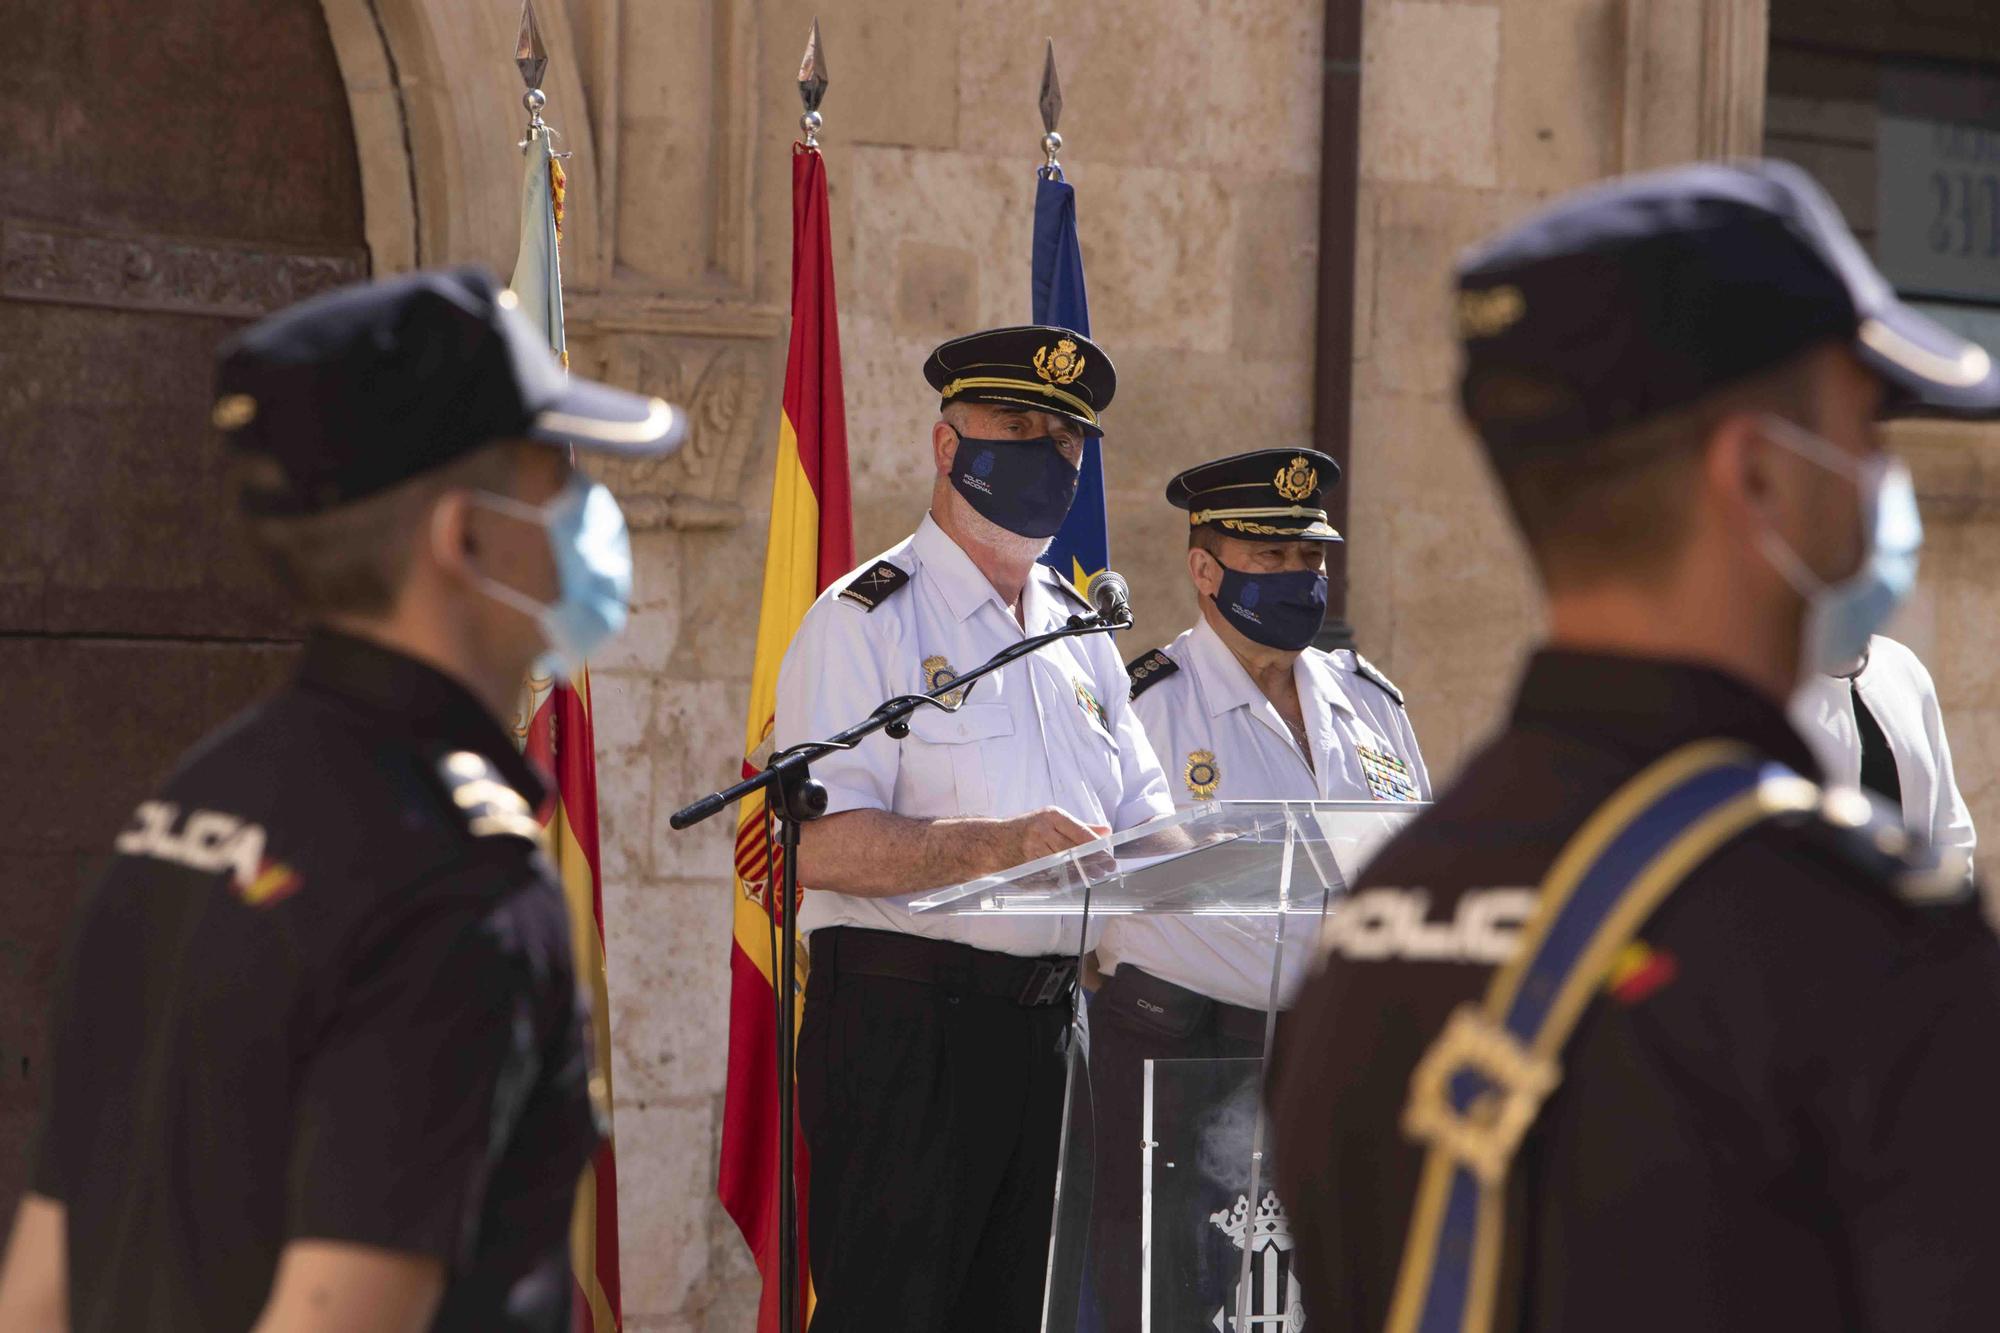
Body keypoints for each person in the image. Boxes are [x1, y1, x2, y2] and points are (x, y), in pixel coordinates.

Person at [1271, 160, 2000, 1333]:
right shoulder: (1858, 944)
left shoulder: (1374, 925)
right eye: (1863, 431)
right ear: (1756, 473)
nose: (1880, 484)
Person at [0, 266, 685, 1332]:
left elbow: (42, 1283)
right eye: (556, 476)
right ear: (463, 538)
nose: (589, 513)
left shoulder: (187, 804)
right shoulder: (462, 889)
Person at [775, 326, 1173, 1332]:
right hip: (911, 1028)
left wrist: (1220, 874)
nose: (1048, 455)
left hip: (1050, 1032)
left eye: (1068, 440)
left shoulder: (1081, 638)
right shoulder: (866, 618)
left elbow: (1152, 833)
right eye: (1019, 426)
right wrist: (990, 846)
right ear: (948, 446)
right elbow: (811, 845)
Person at [1089, 447, 1429, 1330]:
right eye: (1270, 558)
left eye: (1310, 558)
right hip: (1188, 1059)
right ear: (1205, 569)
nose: (1298, 577)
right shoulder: (1147, 707)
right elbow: (1100, 905)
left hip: (1344, 1069)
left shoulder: (1372, 704)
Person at [1790, 633, 1976, 871]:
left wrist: (1951, 893)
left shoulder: (1901, 664)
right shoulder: (1780, 684)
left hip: (1913, 902)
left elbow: (1949, 824)